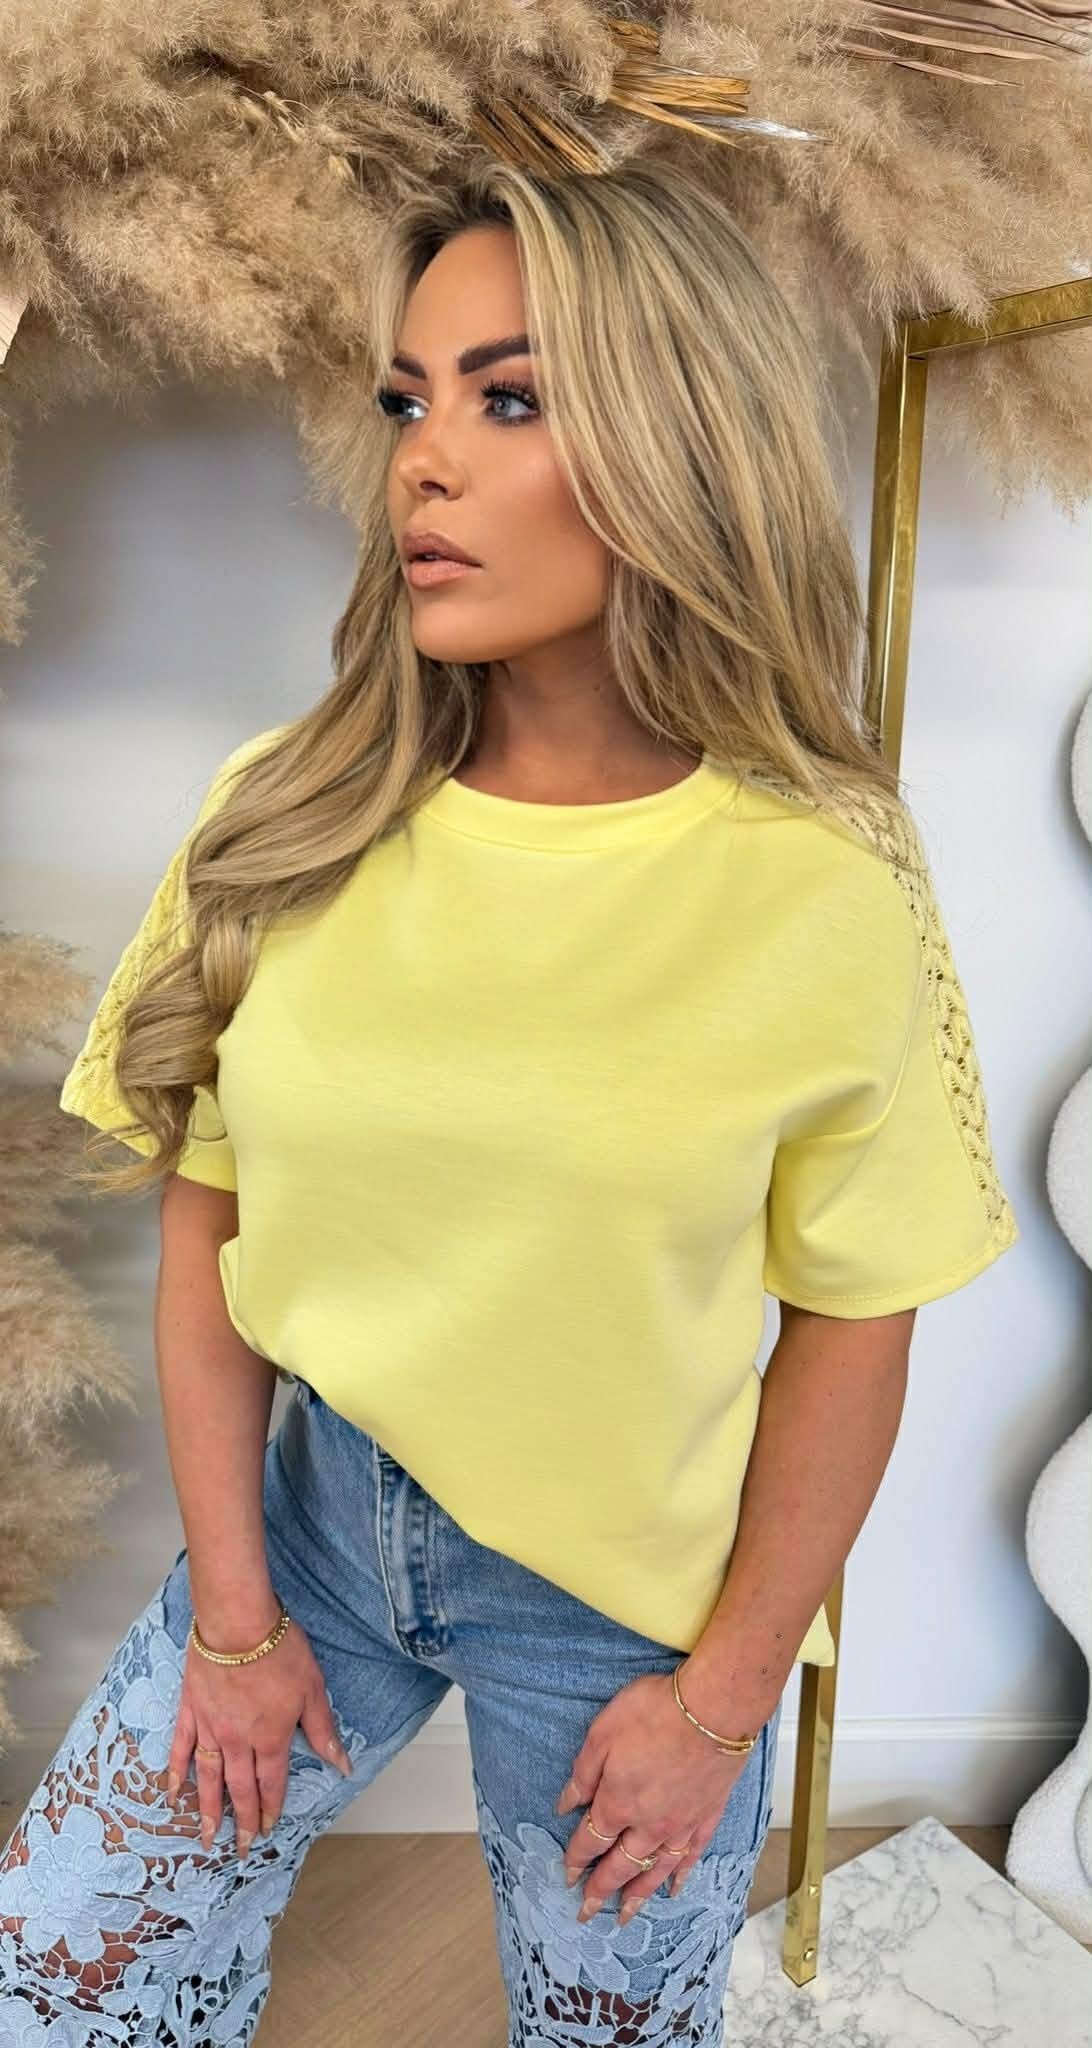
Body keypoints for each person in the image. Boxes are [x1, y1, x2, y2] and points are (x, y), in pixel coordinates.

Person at [0, 156, 1018, 2045]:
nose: (424, 464)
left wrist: (722, 1703)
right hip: (317, 1523)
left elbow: (856, 1319)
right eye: (409, 400)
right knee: (59, 1971)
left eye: (511, 398)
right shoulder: (284, 815)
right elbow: (208, 1223)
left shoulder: (829, 875)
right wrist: (232, 1617)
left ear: (679, 439)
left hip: (627, 1602)